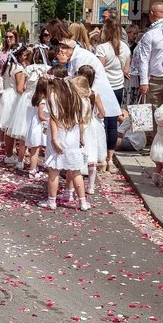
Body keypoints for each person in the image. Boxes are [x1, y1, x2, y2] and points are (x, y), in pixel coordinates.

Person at [38, 76, 90, 211]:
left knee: (54, 171)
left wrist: (54, 139)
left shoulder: (54, 100)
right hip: (73, 138)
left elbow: (53, 120)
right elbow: (81, 122)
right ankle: (83, 202)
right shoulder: (77, 101)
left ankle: (51, 201)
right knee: (75, 170)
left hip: (60, 137)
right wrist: (81, 137)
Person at [94, 19, 130, 169]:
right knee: (113, 125)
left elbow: (98, 69)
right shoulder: (126, 48)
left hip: (104, 88)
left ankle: (101, 157)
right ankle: (110, 159)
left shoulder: (102, 48)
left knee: (102, 122)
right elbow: (126, 70)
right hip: (118, 87)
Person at [73, 69, 106, 195]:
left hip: (80, 125)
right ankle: (91, 186)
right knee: (92, 156)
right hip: (92, 126)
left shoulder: (76, 94)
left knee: (79, 154)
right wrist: (96, 116)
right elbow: (103, 113)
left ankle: (74, 185)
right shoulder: (95, 94)